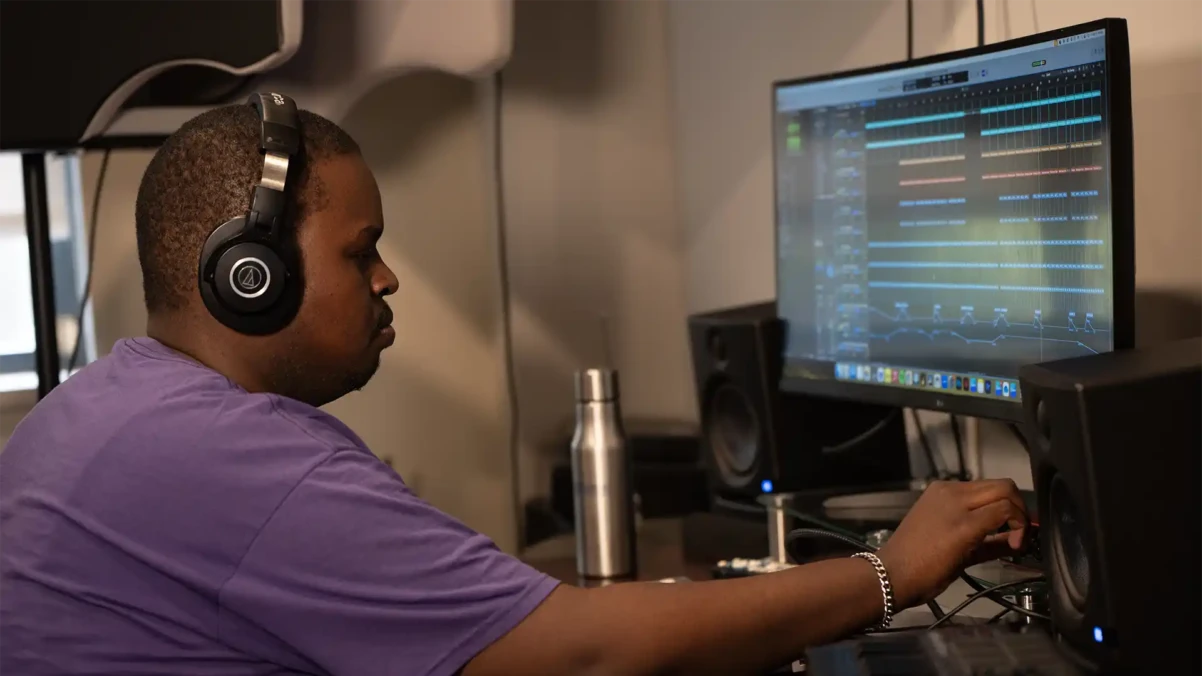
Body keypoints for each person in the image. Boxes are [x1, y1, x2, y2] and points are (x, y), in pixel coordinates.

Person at [0, 101, 1029, 676]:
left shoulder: (99, 407)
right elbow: (582, 657)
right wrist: (890, 571)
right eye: (361, 250)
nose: (386, 279)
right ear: (249, 275)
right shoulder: (239, 460)